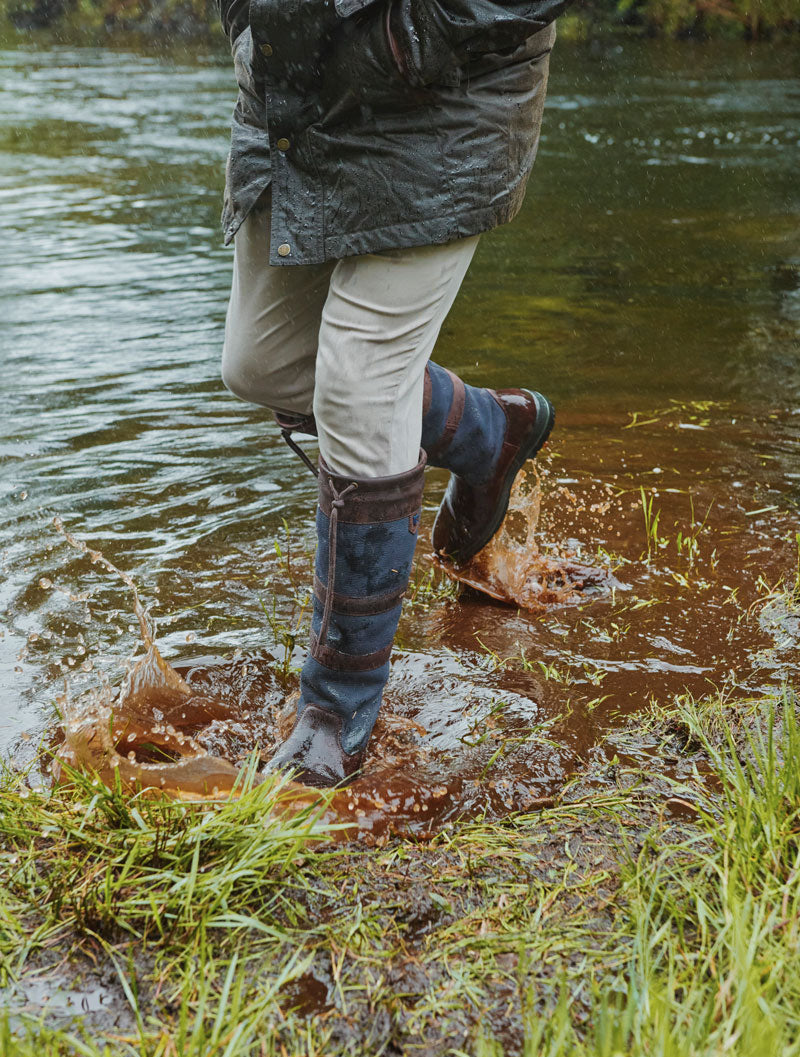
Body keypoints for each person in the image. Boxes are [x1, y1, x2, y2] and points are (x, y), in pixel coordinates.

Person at [217, 0, 569, 787]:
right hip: (296, 99)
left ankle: (336, 710)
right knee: (262, 364)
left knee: (359, 386)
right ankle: (490, 433)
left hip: (436, 104)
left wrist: (401, 46)